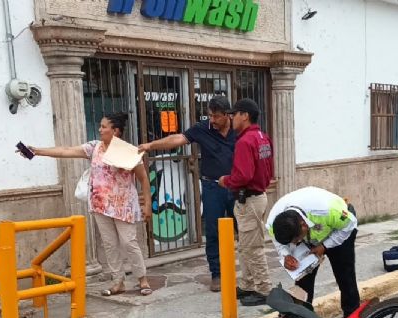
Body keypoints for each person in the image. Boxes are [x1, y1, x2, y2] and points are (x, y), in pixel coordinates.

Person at [26, 112, 153, 296]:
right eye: (100, 126)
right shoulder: (94, 147)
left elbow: (143, 178)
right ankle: (118, 281)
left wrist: (147, 204)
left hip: (123, 205)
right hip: (100, 205)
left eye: (104, 127)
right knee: (109, 244)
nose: (100, 130)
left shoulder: (128, 151)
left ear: (115, 131)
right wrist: (37, 151)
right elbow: (65, 151)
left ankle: (142, 279)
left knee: (128, 242)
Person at [138, 96, 236, 292]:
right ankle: (217, 273)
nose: (213, 120)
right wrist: (150, 146)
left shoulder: (239, 130)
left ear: (227, 115)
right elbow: (178, 139)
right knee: (213, 231)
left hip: (237, 187)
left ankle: (248, 272)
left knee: (244, 228)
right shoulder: (202, 128)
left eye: (216, 116)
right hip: (212, 187)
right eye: (210, 116)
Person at [267, 186, 360, 317]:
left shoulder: (327, 210)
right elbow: (279, 242)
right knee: (303, 278)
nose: (294, 244)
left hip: (339, 229)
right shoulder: (273, 222)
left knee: (345, 275)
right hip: (310, 236)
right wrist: (286, 254)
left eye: (296, 240)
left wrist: (325, 246)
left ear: (303, 225)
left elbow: (349, 225)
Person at [218, 98, 273, 306]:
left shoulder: (245, 141)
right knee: (246, 245)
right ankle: (248, 284)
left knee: (253, 247)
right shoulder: (262, 137)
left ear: (245, 116)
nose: (231, 119)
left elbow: (243, 175)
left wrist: (226, 181)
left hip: (249, 199)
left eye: (234, 115)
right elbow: (267, 169)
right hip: (257, 196)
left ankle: (264, 289)